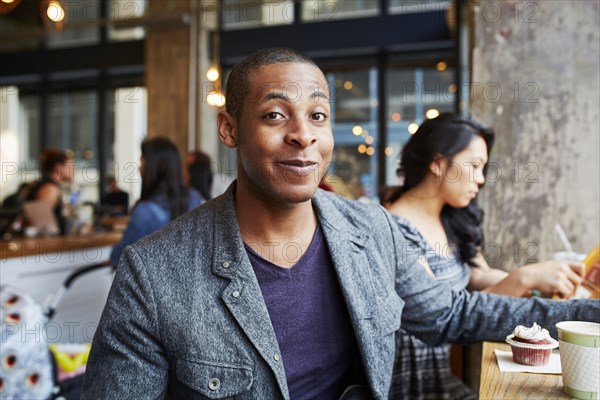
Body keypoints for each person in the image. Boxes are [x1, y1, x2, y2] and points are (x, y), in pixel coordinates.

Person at [82, 48, 599, 400]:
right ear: (230, 128)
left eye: (318, 116)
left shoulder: (370, 229)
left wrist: (588, 313)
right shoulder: (153, 273)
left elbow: (451, 314)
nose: (303, 136)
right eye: (275, 115)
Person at [383, 113, 586, 399]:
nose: (480, 180)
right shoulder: (395, 228)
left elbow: (477, 273)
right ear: (439, 164)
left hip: (445, 370)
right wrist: (524, 277)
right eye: (475, 166)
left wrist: (540, 279)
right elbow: (446, 314)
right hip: (415, 382)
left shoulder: (449, 216)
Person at [108, 137, 203, 267]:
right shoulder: (194, 197)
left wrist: (112, 255)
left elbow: (120, 256)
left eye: (141, 161)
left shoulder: (145, 211)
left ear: (151, 167)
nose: (139, 168)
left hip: (152, 285)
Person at [25, 149, 75, 235]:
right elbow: (40, 224)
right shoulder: (50, 188)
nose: (74, 171)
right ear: (59, 167)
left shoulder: (47, 185)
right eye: (71, 167)